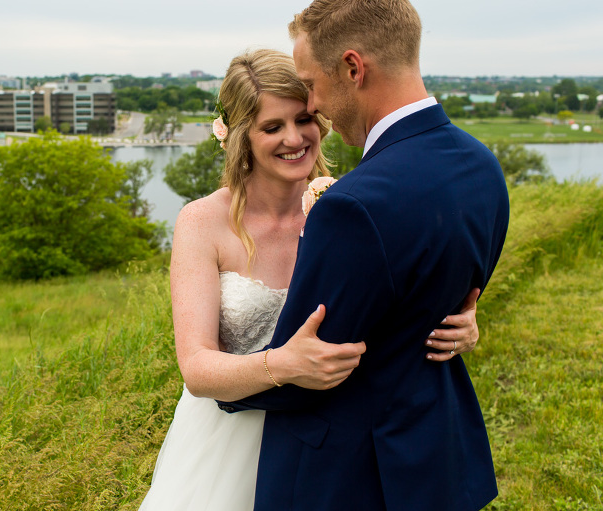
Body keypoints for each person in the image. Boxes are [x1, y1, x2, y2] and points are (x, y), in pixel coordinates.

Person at [139, 48, 483, 511]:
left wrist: (457, 321)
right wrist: (283, 365)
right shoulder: (201, 222)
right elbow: (197, 369)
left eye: (303, 119)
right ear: (240, 136)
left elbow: (396, 306)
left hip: (329, 439)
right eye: (272, 127)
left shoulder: (351, 209)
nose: (295, 138)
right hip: (224, 443)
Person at [217, 1, 510, 510]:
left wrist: (229, 390)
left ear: (353, 68)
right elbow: (436, 294)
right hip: (438, 459)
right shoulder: (481, 166)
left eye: (310, 83)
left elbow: (313, 365)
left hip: (351, 477)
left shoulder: (352, 206)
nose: (314, 102)